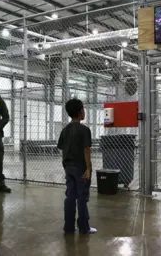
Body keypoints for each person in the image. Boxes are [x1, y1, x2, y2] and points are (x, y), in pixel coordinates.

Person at [57, 98, 97, 235]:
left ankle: (68, 227)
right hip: (81, 167)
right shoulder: (84, 130)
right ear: (80, 111)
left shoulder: (65, 130)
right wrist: (88, 168)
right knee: (82, 197)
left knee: (70, 196)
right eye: (83, 109)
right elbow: (86, 149)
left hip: (68, 167)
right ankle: (84, 227)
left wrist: (65, 166)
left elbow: (63, 149)